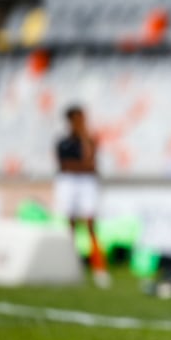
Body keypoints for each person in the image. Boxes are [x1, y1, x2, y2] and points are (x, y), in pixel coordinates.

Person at [55, 105, 111, 288]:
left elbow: (90, 162)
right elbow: (65, 166)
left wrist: (85, 139)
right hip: (70, 182)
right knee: (70, 225)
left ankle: (99, 269)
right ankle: (70, 265)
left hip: (86, 183)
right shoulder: (63, 142)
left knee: (91, 225)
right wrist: (82, 166)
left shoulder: (88, 140)